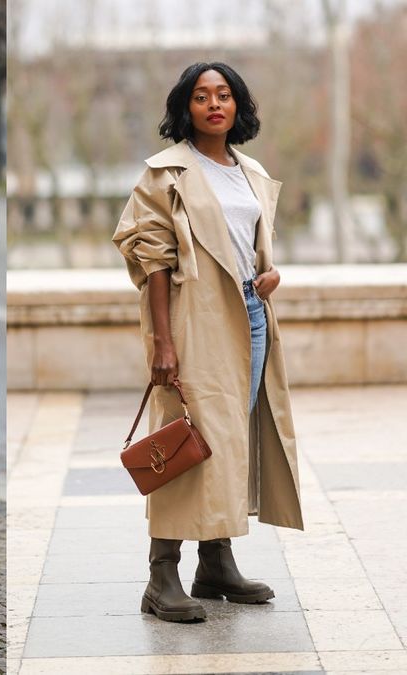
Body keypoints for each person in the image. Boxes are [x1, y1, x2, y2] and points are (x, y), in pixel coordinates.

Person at [113, 62, 303, 623]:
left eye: (224, 95)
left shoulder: (250, 171)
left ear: (238, 106)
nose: (214, 104)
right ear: (185, 107)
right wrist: (163, 345)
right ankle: (161, 574)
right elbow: (152, 262)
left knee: (232, 438)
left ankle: (215, 561)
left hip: (250, 315)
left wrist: (270, 277)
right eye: (201, 96)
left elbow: (248, 248)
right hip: (193, 321)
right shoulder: (165, 174)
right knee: (185, 442)